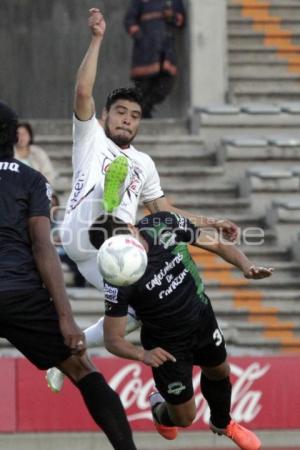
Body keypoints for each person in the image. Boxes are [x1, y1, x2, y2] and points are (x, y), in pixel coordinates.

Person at [46, 7, 238, 391]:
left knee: (132, 314)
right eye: (120, 113)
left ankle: (65, 354)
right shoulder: (90, 137)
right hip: (82, 230)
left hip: (105, 255)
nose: (127, 120)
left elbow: (164, 213)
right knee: (113, 214)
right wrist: (97, 37)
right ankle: (110, 203)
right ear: (105, 116)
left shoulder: (144, 162)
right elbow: (82, 91)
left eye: (134, 116)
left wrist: (208, 222)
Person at [0, 101, 138, 450]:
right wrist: (66, 318)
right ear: (16, 137)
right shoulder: (32, 180)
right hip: (21, 292)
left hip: (16, 287)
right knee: (81, 369)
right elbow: (43, 247)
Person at [100, 212, 272, 450]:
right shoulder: (119, 275)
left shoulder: (162, 224)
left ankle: (223, 423)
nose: (133, 252)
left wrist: (246, 265)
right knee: (184, 418)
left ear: (133, 226)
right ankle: (158, 407)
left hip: (201, 316)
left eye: (132, 241)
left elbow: (215, 242)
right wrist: (143, 355)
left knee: (219, 369)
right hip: (167, 345)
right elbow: (112, 338)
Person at [124, 0, 186, 118]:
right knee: (144, 86)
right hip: (145, 53)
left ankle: (144, 108)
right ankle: (142, 114)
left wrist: (171, 16)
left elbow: (181, 20)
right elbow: (129, 20)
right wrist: (141, 38)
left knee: (165, 85)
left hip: (166, 51)